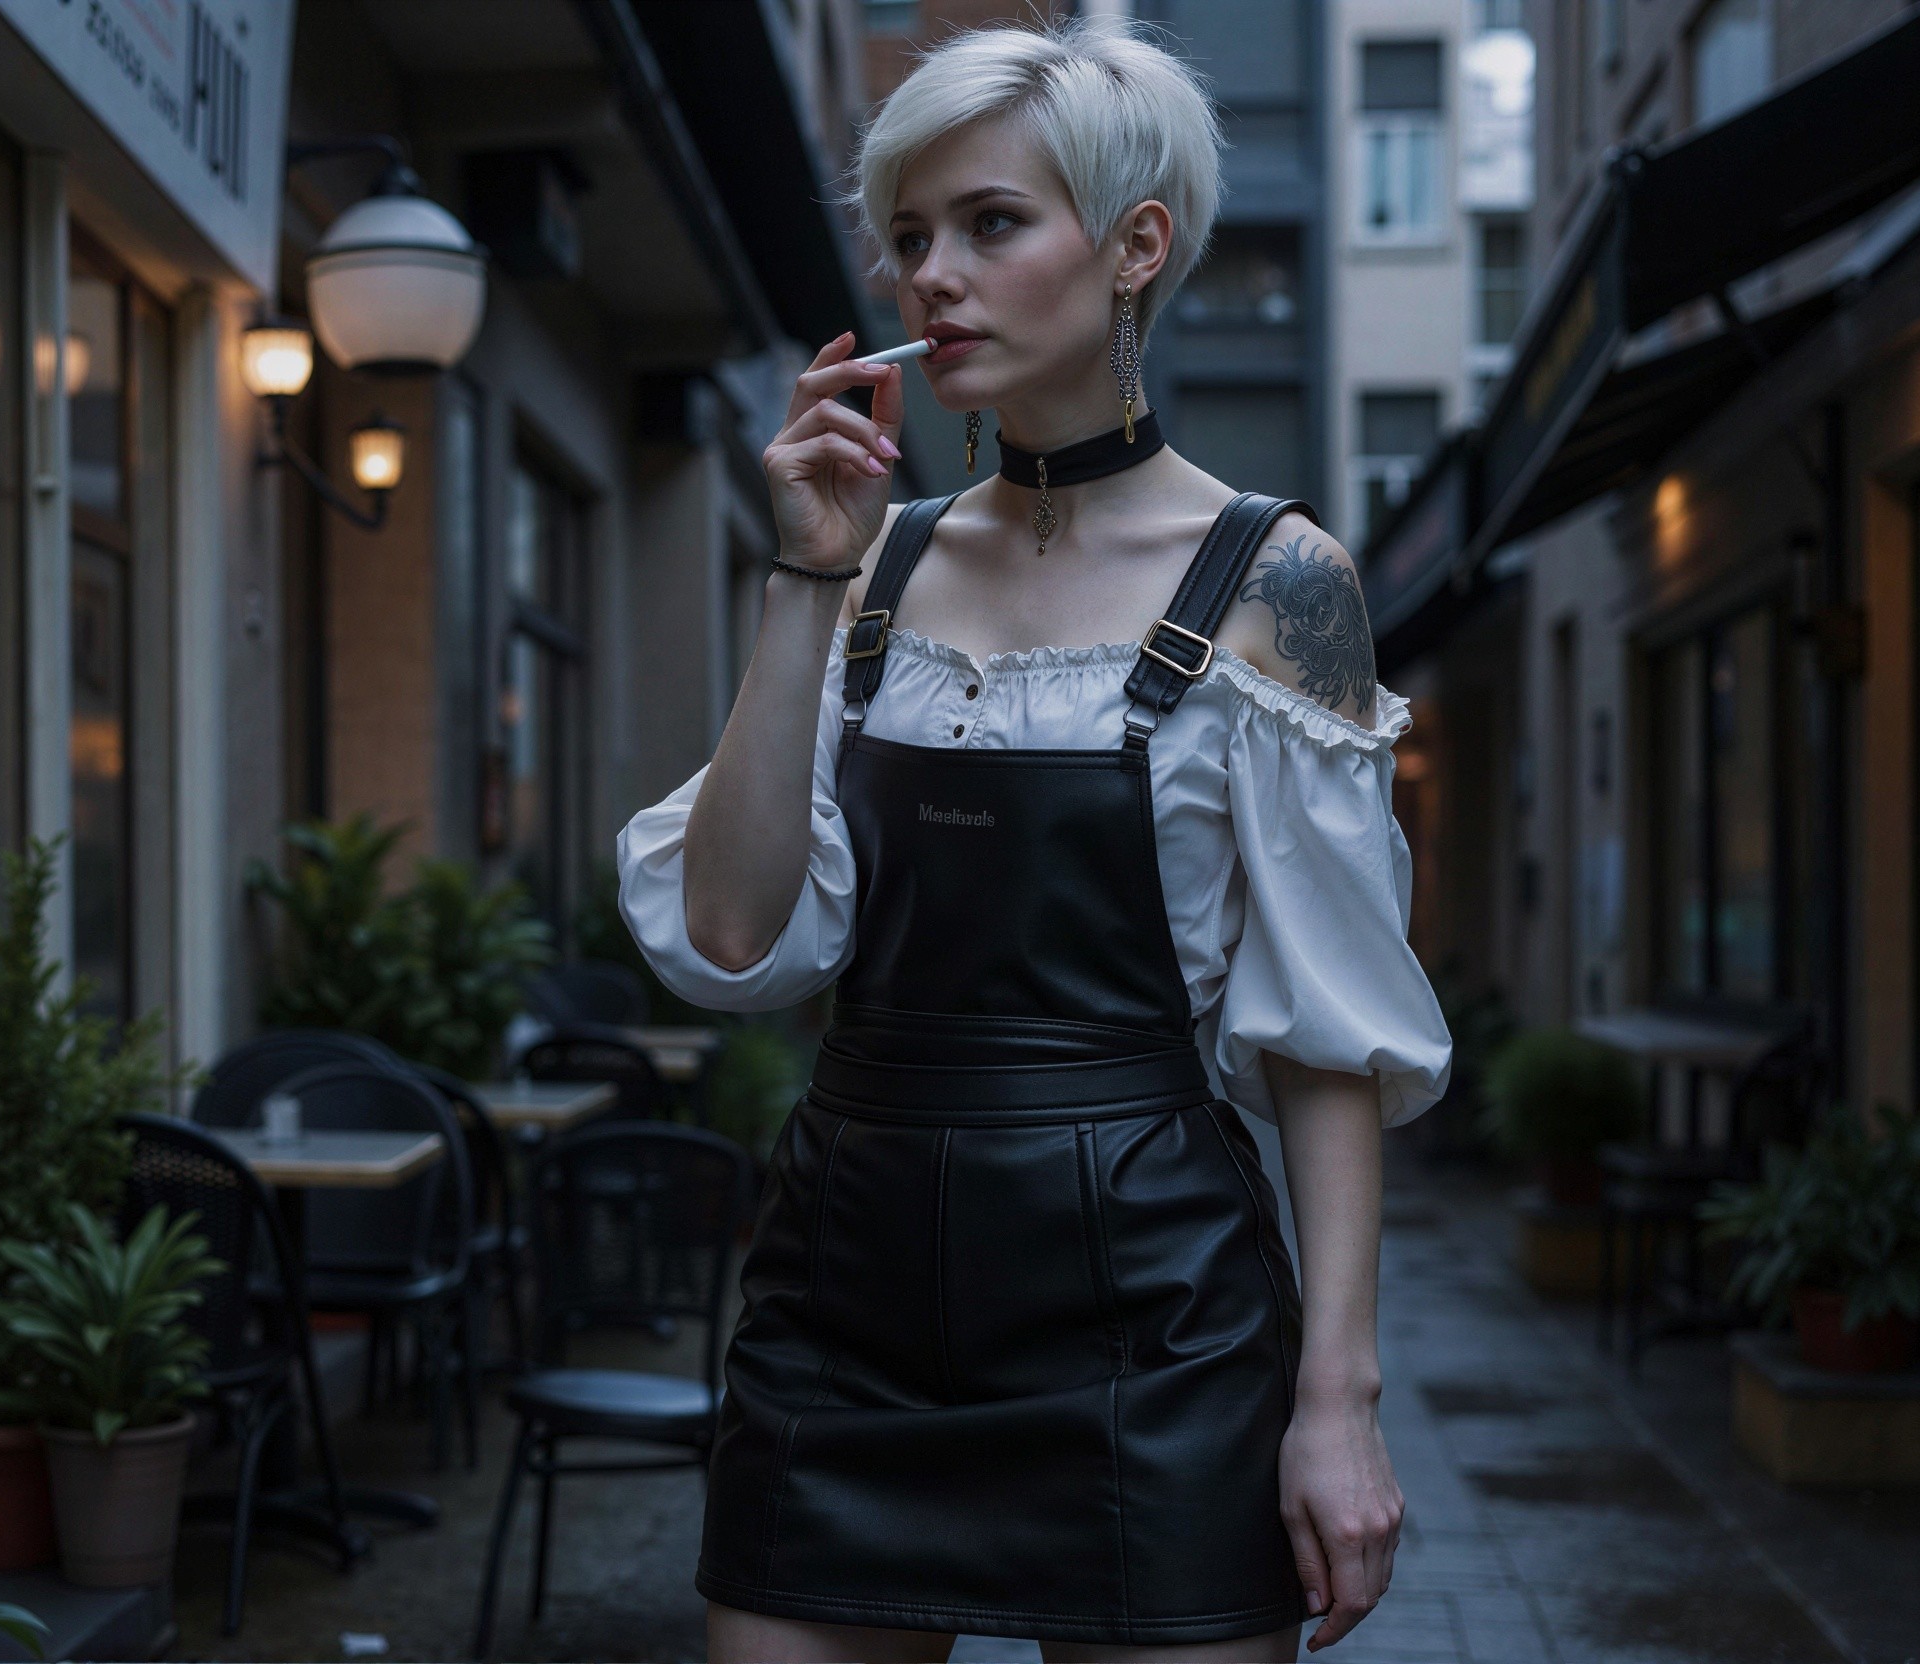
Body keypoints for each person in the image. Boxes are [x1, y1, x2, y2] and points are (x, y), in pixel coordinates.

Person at [616, 19, 1452, 1663]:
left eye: (990, 224)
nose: (934, 276)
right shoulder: (871, 568)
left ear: (1136, 244)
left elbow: (1328, 1046)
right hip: (844, 1297)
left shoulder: (1286, 587)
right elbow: (729, 939)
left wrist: (1336, 1402)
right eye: (911, 237)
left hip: (1160, 1314)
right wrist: (799, 578)